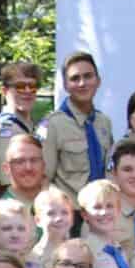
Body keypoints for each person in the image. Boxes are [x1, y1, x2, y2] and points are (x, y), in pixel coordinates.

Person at [40, 50, 115, 194]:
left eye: (88, 76)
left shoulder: (104, 122)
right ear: (66, 86)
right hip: (70, 211)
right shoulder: (52, 125)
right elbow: (44, 179)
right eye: (75, 78)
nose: (82, 83)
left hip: (103, 210)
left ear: (98, 81)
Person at [74, 178, 135, 268]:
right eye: (97, 207)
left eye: (110, 206)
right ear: (85, 214)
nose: (104, 212)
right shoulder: (86, 255)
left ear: (118, 210)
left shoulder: (118, 250)